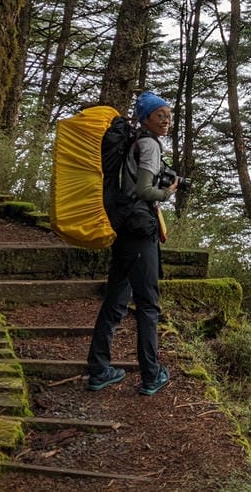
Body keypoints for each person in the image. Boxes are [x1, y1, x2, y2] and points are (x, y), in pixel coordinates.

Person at [86, 92, 177, 395]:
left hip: (126, 228)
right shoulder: (149, 145)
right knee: (148, 306)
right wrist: (167, 192)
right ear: (146, 118)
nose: (166, 120)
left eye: (168, 115)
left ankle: (99, 370)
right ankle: (151, 375)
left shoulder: (134, 142)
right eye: (160, 115)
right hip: (140, 233)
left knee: (115, 300)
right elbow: (144, 189)